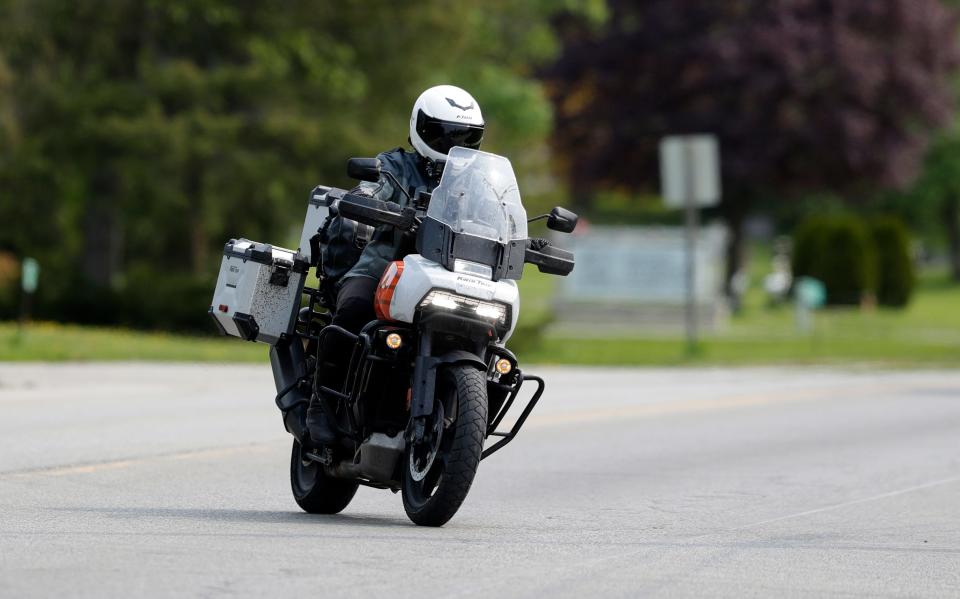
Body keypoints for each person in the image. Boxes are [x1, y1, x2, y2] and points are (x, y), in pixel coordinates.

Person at [305, 84, 486, 445]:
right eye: (444, 134)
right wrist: (368, 198)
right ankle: (320, 405)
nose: (454, 144)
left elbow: (496, 215)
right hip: (386, 267)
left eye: (465, 136)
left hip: (453, 278)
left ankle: (462, 421)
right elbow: (374, 188)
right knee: (354, 308)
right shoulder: (395, 165)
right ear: (420, 128)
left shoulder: (479, 182)